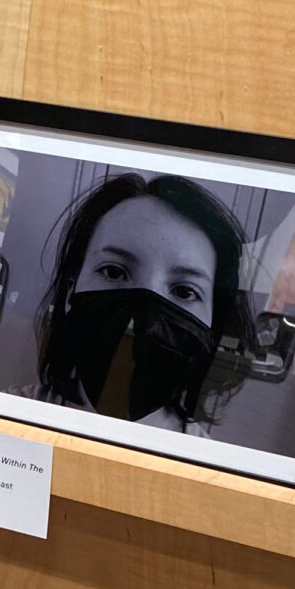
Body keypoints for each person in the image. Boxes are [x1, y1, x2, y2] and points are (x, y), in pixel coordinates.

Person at [24, 172, 250, 436]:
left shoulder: (212, 468)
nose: (142, 318)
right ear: (72, 286)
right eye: (114, 272)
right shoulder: (6, 418)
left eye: (184, 291)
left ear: (213, 321)